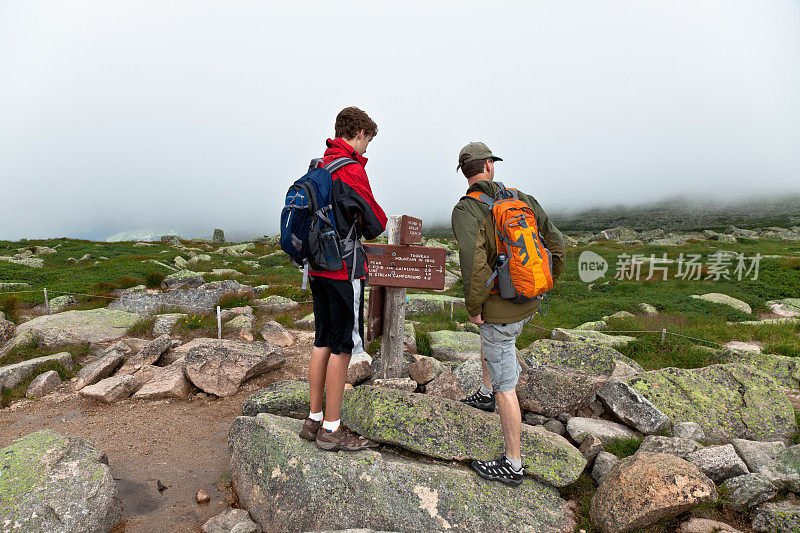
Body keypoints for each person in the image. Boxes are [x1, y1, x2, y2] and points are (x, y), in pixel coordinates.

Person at [451, 141, 565, 485]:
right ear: (489, 166)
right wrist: (547, 280)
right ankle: (485, 394)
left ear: (465, 172)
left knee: (507, 385)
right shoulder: (520, 198)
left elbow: (473, 264)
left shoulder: (466, 210)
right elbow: (556, 241)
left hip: (500, 312)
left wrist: (474, 309)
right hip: (530, 302)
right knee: (497, 351)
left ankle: (513, 464)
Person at [298, 107, 388, 451]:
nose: (367, 149)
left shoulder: (320, 166)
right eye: (368, 141)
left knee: (322, 340)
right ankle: (332, 429)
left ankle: (314, 418)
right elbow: (374, 223)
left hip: (316, 269)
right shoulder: (350, 170)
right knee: (343, 346)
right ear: (360, 133)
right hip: (343, 270)